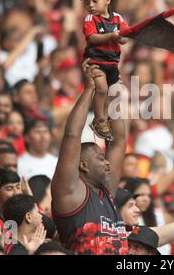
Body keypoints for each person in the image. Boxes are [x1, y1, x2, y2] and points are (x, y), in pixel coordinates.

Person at [51, 63, 128, 255]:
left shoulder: (106, 190)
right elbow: (71, 135)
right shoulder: (70, 191)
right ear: (83, 165)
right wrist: (89, 90)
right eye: (101, 158)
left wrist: (112, 89)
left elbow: (118, 142)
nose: (107, 162)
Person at [79, 0, 128, 141]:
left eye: (94, 1)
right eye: (87, 3)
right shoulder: (90, 19)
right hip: (96, 60)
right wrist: (112, 35)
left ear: (107, 0)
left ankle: (105, 118)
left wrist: (121, 38)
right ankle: (99, 119)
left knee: (114, 92)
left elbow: (125, 37)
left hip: (112, 62)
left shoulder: (118, 18)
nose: (90, 5)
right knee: (101, 89)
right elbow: (92, 38)